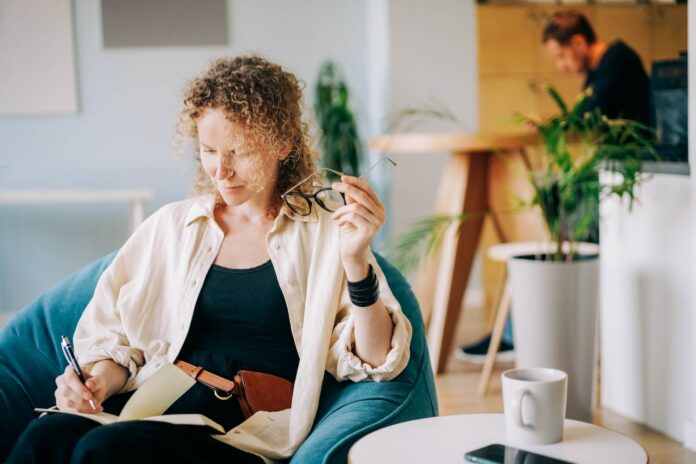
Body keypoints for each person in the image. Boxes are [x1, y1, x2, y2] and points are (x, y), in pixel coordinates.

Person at [6, 55, 411, 463]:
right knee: (48, 435)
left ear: (282, 143)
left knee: (106, 449)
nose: (222, 170)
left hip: (238, 433)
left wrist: (356, 261)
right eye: (209, 150)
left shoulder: (324, 232)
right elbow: (119, 343)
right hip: (149, 405)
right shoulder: (171, 227)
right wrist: (94, 384)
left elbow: (377, 361)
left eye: (239, 151)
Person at [457, 10, 650, 363]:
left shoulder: (617, 62)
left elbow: (585, 119)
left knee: (558, 236)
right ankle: (521, 329)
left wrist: (552, 122)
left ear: (578, 42)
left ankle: (521, 331)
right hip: (610, 175)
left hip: (625, 177)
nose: (560, 66)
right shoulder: (602, 68)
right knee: (554, 230)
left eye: (560, 56)